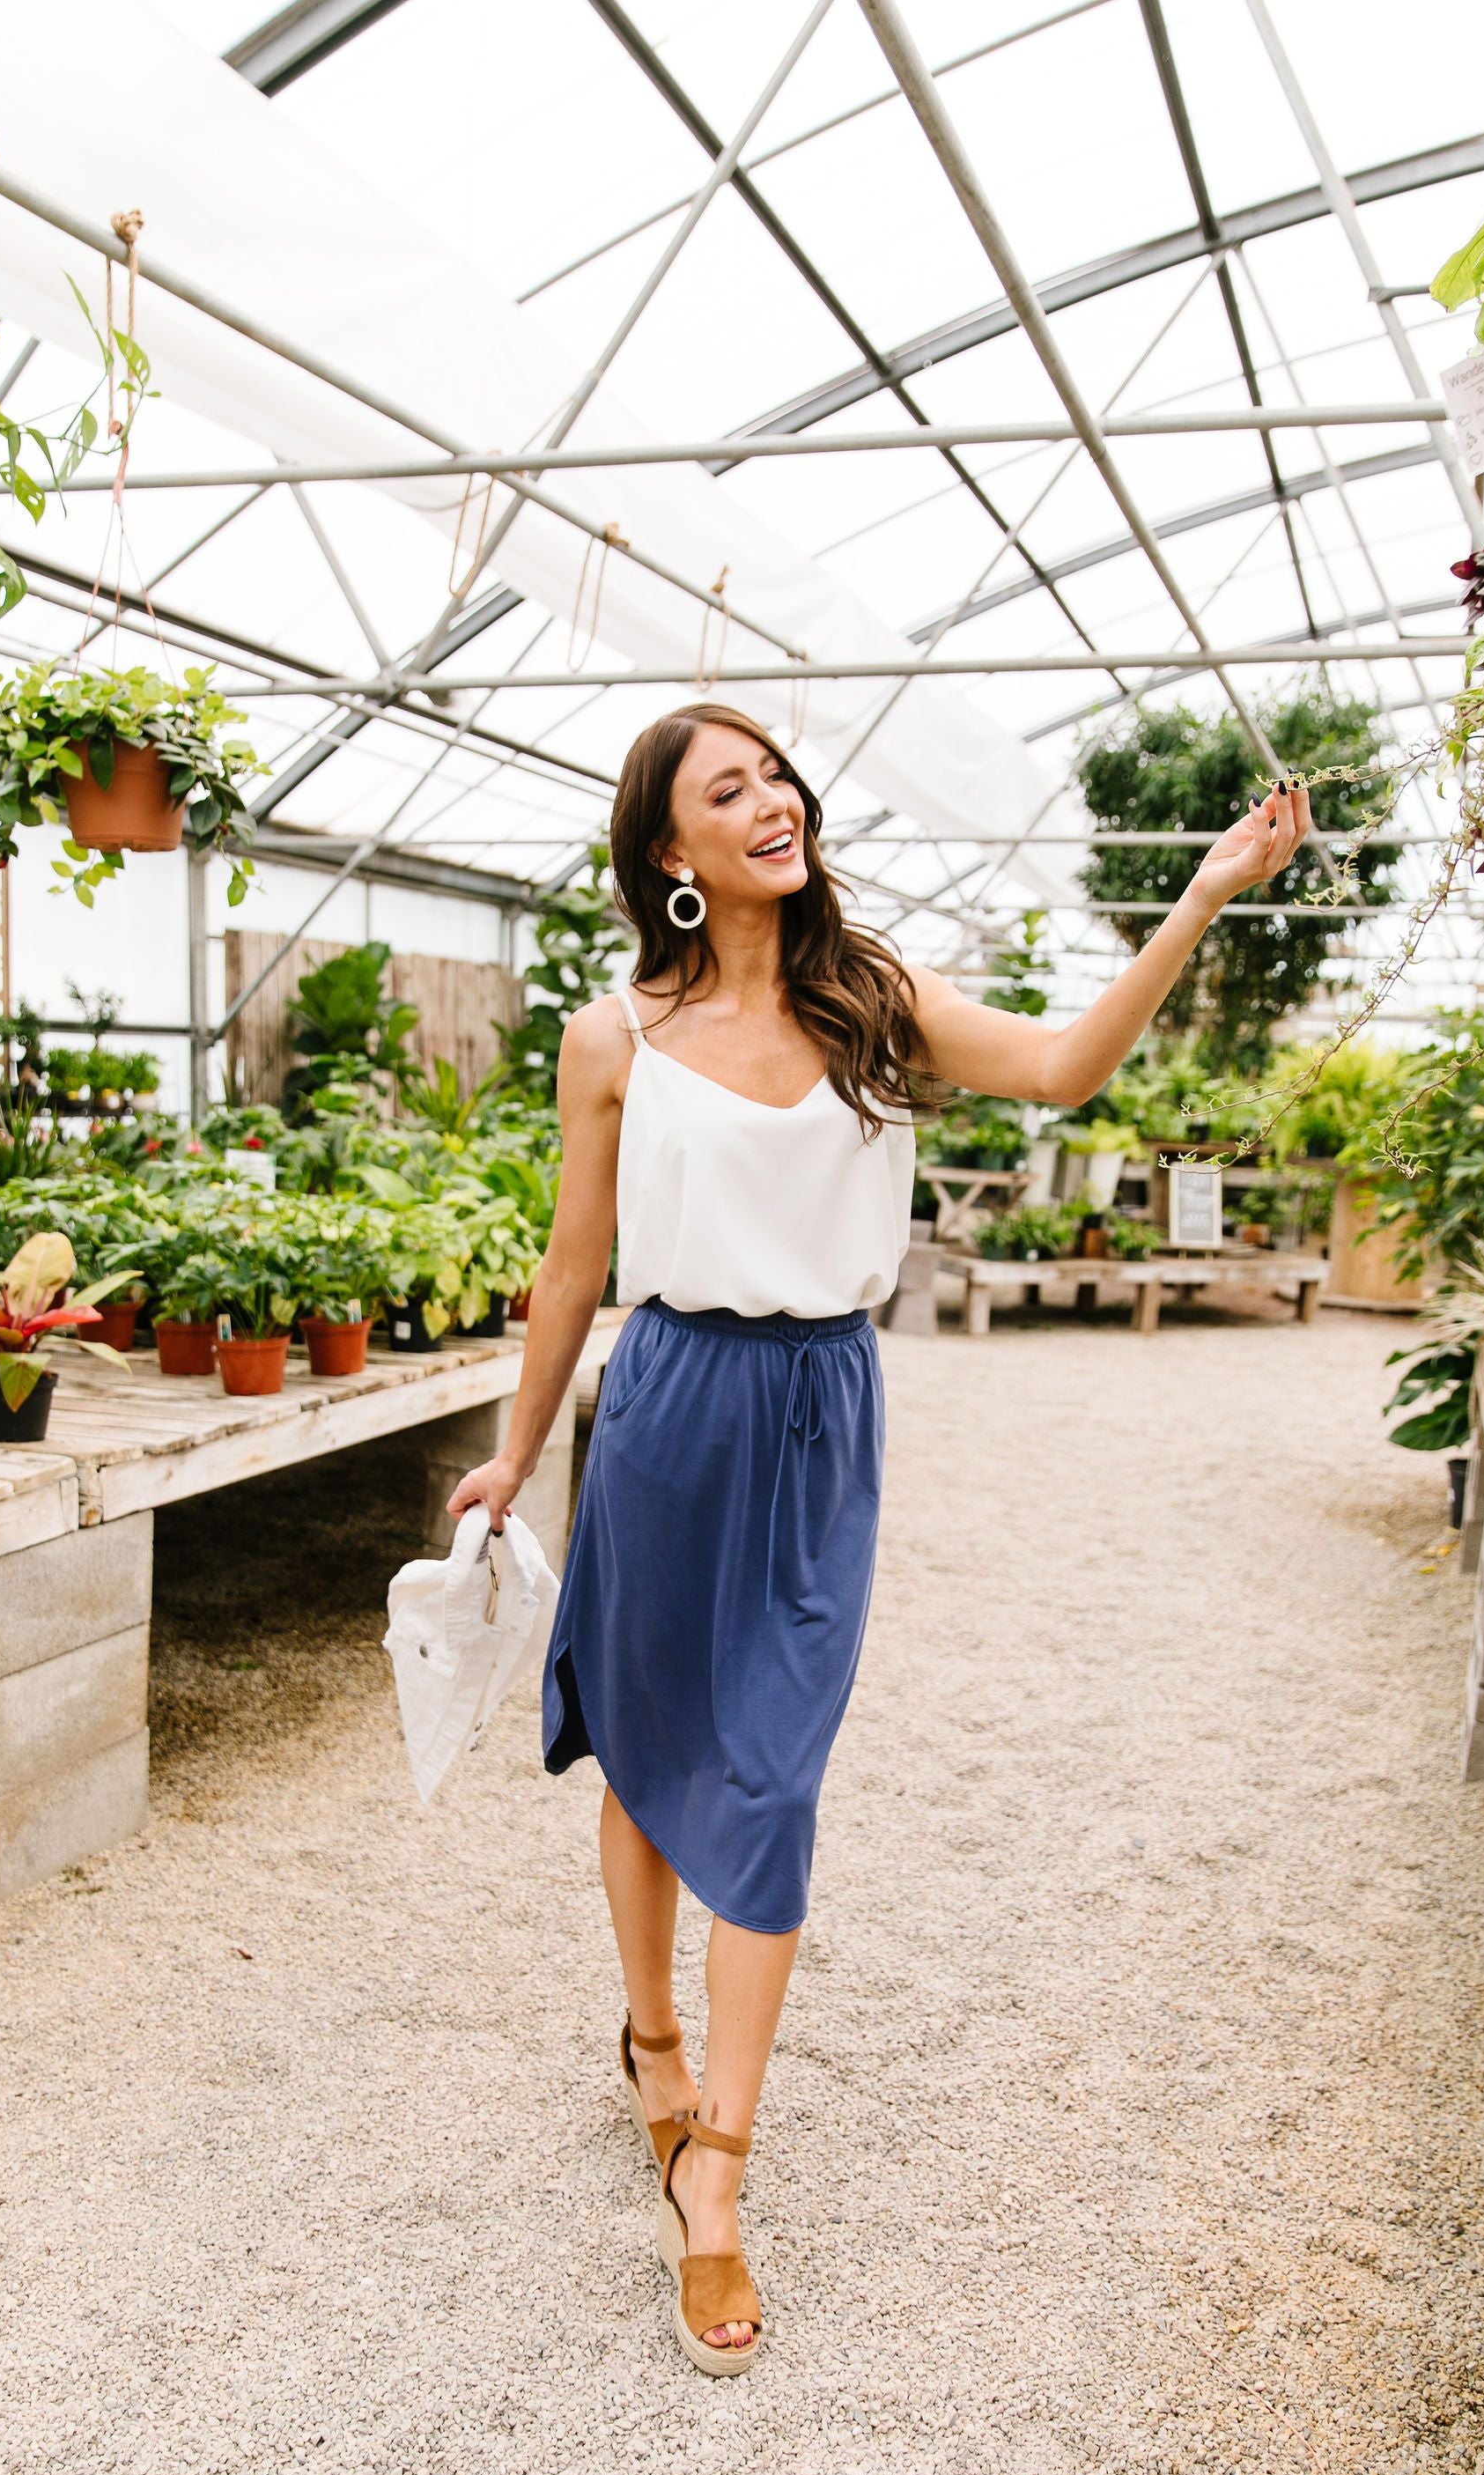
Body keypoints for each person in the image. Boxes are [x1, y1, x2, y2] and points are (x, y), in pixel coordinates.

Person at [448, 701, 1311, 2373]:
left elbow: (1065, 1065)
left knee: (769, 1778)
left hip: (819, 1415)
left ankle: (720, 2175)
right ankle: (651, 2038)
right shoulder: (611, 1035)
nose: (771, 802)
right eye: (728, 791)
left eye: (775, 775)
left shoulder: (873, 1003)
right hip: (667, 1404)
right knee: (642, 1749)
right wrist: (513, 1453)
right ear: (667, 856)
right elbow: (572, 1269)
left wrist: (1203, 891)